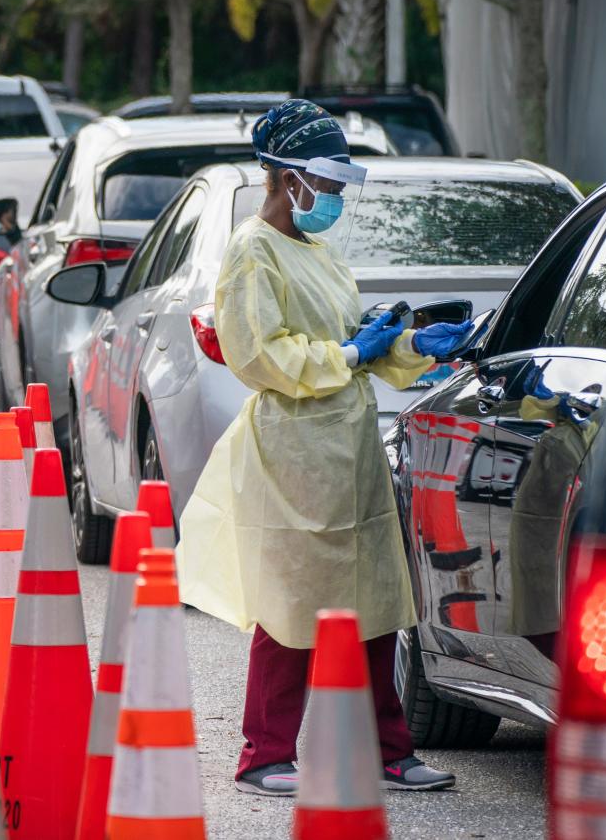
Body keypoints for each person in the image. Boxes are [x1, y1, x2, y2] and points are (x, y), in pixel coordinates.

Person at [175, 99, 469, 797]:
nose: (334, 197)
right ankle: (265, 753)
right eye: (326, 184)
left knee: (373, 602)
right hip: (294, 455)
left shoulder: (320, 252)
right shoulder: (251, 251)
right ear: (286, 177)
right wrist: (348, 350)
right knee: (290, 606)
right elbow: (261, 356)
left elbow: (355, 349)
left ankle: (388, 750)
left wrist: (409, 348)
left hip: (349, 450)